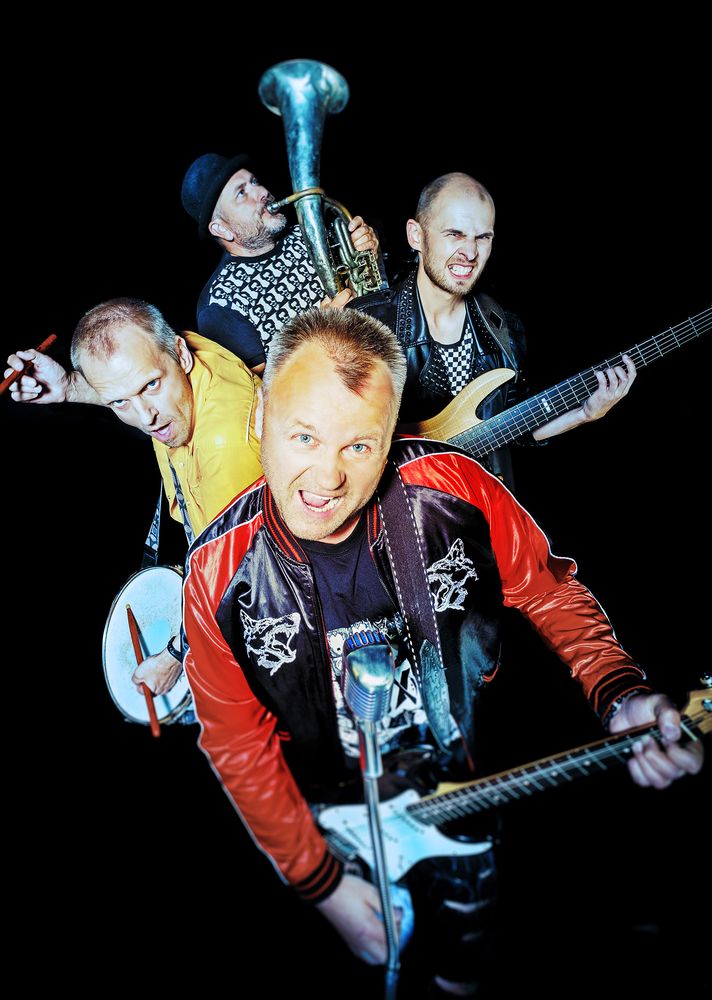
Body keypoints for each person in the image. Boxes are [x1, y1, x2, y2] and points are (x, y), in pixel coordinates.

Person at [181, 307, 702, 997]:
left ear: (392, 435)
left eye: (358, 445)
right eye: (303, 435)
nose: (327, 477)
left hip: (476, 787)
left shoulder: (454, 487)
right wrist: (321, 884)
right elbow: (237, 745)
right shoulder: (215, 574)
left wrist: (620, 692)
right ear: (258, 421)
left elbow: (548, 591)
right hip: (334, 828)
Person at [5, 298, 263, 695]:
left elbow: (243, 581)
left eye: (150, 387)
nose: (146, 418)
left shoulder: (225, 449)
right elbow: (132, 379)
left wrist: (174, 656)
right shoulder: (177, 356)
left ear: (180, 354)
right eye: (119, 402)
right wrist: (70, 386)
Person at [352, 172, 636, 487]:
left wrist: (584, 414)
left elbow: (517, 427)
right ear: (416, 236)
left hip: (480, 505)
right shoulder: (366, 323)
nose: (470, 253)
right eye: (455, 234)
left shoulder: (504, 330)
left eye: (482, 237)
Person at [180, 152, 379, 372]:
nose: (262, 192)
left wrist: (366, 251)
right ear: (221, 229)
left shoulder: (306, 233)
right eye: (241, 193)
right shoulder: (220, 304)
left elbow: (363, 284)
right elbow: (264, 386)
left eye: (254, 182)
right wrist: (319, 333)